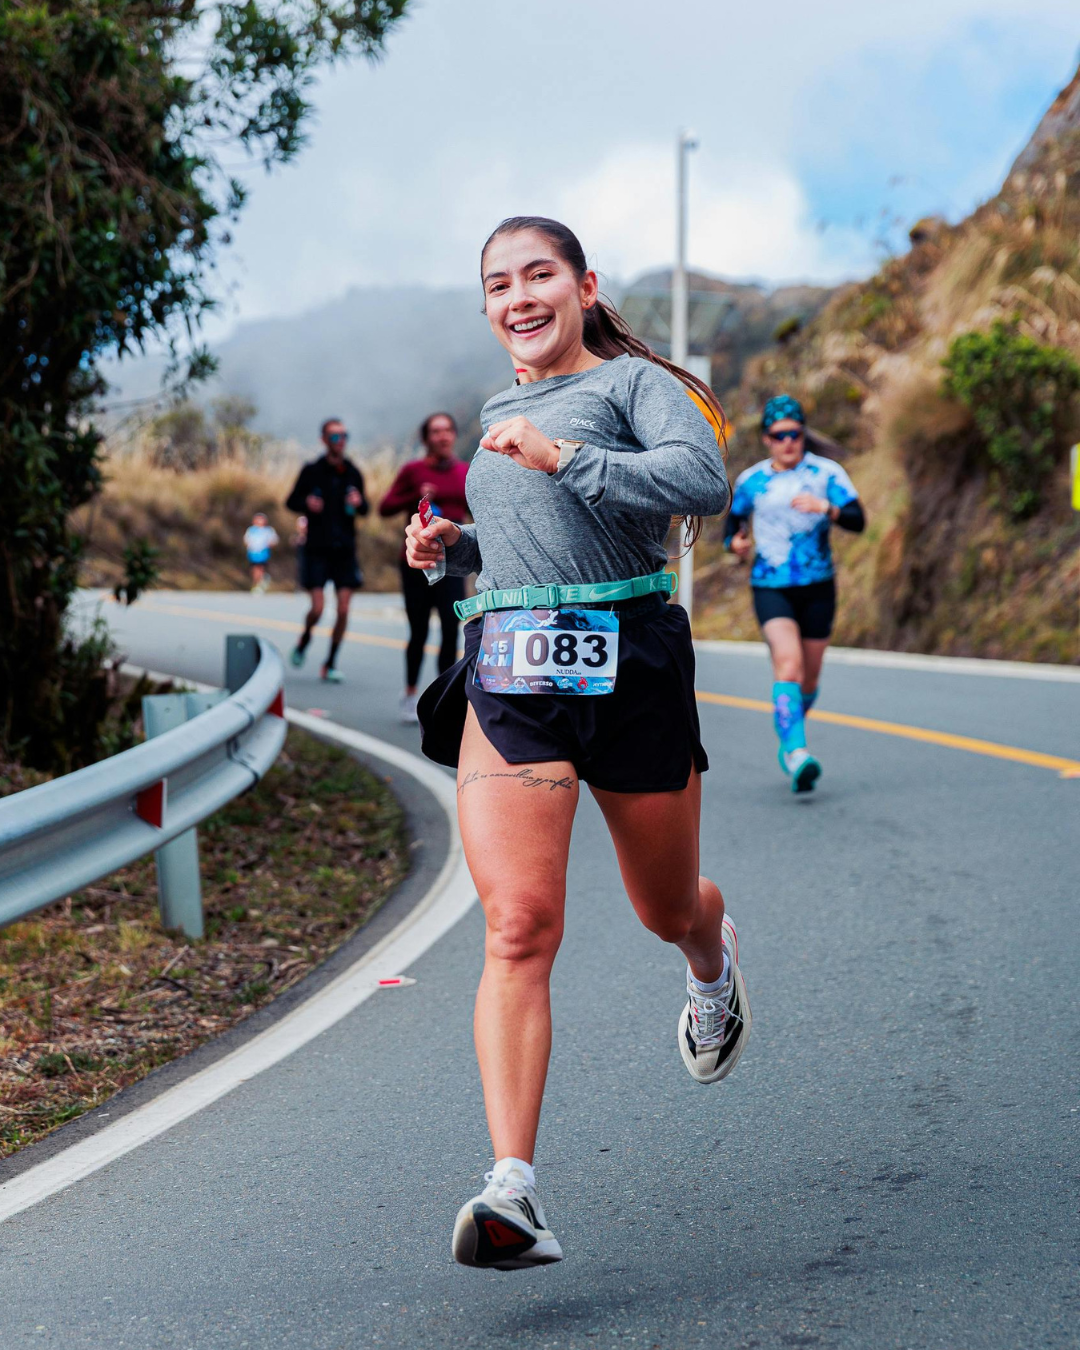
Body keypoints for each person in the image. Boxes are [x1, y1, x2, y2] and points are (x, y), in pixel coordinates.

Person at [403, 216, 750, 1272]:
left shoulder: (638, 387)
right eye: (498, 283)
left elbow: (701, 482)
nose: (518, 296)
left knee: (664, 907)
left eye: (539, 274)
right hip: (514, 673)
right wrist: (453, 550)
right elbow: (538, 541)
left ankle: (710, 960)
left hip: (632, 661)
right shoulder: (496, 411)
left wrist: (564, 455)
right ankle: (513, 1189)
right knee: (517, 925)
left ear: (584, 285)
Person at [724, 394, 866, 792]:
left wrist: (827, 508)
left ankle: (790, 733)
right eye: (779, 435)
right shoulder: (751, 481)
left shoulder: (827, 474)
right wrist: (736, 545)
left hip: (819, 586)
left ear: (804, 434)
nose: (788, 442)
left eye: (794, 434)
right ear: (766, 439)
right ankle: (796, 752)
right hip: (771, 586)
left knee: (809, 679)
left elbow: (858, 520)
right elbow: (732, 528)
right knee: (789, 666)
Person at [379, 413, 470, 723]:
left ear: (454, 435)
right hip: (417, 562)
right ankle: (410, 693)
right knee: (418, 630)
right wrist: (416, 495)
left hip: (453, 563)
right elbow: (385, 507)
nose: (443, 436)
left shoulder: (464, 471)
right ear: (426, 438)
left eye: (447, 430)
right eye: (436, 431)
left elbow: (477, 512)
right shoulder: (413, 471)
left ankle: (445, 700)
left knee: (450, 629)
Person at [285, 418, 369, 682]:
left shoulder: (353, 472)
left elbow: (365, 508)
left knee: (343, 610)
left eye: (344, 435)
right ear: (323, 440)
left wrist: (359, 502)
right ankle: (305, 639)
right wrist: (307, 502)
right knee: (318, 608)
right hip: (316, 549)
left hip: (344, 550)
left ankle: (330, 663)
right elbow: (291, 501)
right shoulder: (312, 471)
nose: (340, 440)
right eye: (334, 436)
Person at [243, 512, 278, 593]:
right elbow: (246, 540)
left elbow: (274, 540)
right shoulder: (251, 530)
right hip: (253, 552)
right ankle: (256, 584)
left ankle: (259, 584)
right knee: (254, 568)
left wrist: (269, 544)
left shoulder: (268, 530)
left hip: (263, 552)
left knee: (260, 568)